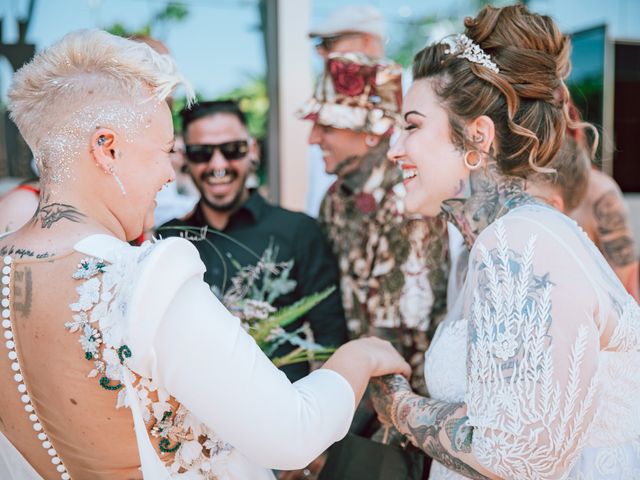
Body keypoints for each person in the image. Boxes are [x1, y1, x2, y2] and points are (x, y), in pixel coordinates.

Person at [0, 29, 412, 480]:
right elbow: (293, 434)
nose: (168, 173)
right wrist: (362, 355)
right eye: (166, 151)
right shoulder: (147, 282)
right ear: (107, 148)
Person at [372, 4, 640, 479]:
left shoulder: (520, 243)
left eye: (412, 125)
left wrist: (398, 406)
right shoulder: (480, 249)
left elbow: (517, 454)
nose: (394, 147)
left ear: (477, 137)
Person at [160, 100, 348, 382]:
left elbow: (330, 343)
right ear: (186, 158)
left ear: (252, 151)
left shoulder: (299, 231)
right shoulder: (168, 240)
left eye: (232, 150)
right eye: (202, 153)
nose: (218, 165)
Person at [300, 52, 449, 395]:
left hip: (402, 405)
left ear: (369, 133)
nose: (312, 139)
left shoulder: (409, 204)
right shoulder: (335, 199)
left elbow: (405, 339)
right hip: (348, 393)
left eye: (326, 126)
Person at [305, 4, 386, 217]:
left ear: (366, 41)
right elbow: (317, 189)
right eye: (318, 45)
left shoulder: (413, 100)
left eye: (329, 42)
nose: (321, 53)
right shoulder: (325, 99)